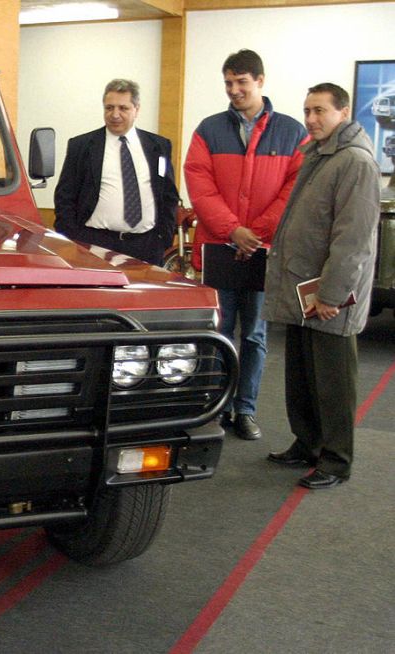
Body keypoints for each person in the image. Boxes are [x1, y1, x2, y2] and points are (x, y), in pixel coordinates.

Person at [184, 49, 307, 441]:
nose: (234, 90)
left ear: (260, 82)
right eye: (228, 83)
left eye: (242, 82)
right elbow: (199, 185)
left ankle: (245, 410)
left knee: (255, 335)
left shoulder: (291, 132)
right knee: (218, 332)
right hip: (219, 248)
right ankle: (214, 407)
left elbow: (294, 189)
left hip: (263, 252)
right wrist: (233, 230)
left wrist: (254, 235)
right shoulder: (208, 129)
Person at [263, 83, 380, 489]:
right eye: (307, 111)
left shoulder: (356, 163)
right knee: (302, 377)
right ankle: (307, 444)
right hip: (302, 292)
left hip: (328, 297)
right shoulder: (319, 155)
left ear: (343, 113)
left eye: (320, 111)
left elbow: (354, 240)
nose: (311, 119)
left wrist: (331, 295)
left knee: (333, 384)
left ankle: (336, 460)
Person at [54, 79, 179, 266]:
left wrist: (164, 239)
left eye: (123, 108)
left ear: (137, 109)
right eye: (109, 108)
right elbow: (65, 196)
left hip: (146, 246)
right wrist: (72, 238)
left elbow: (168, 194)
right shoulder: (81, 146)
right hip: (95, 244)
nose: (115, 115)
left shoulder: (159, 146)